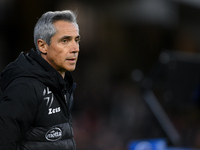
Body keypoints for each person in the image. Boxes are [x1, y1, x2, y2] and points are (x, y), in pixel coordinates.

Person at [0, 10, 80, 150]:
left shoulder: (62, 84)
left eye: (76, 40)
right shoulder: (25, 87)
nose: (75, 48)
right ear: (43, 46)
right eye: (65, 41)